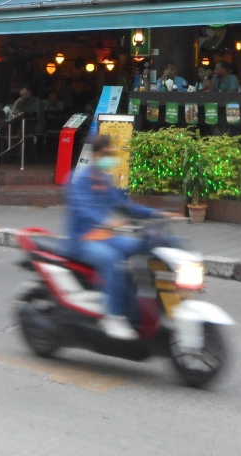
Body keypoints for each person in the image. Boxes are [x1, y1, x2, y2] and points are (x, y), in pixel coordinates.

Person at [66, 135, 173, 340]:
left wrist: (157, 214)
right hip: (82, 241)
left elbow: (126, 206)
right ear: (96, 155)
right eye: (106, 154)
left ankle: (144, 307)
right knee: (113, 260)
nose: (109, 158)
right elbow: (84, 209)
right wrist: (107, 222)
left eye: (111, 154)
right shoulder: (79, 180)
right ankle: (113, 316)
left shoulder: (105, 181)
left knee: (146, 246)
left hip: (105, 237)